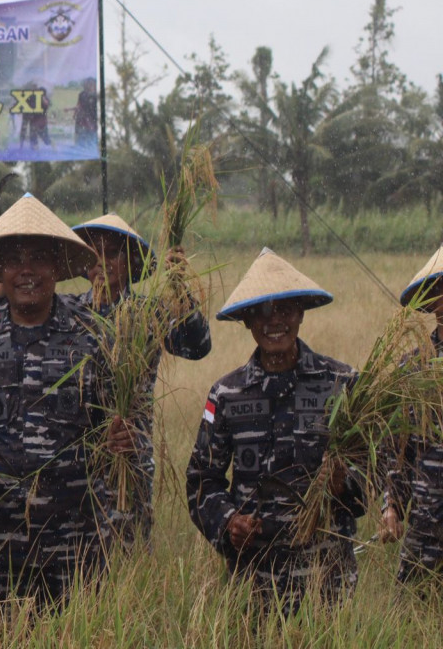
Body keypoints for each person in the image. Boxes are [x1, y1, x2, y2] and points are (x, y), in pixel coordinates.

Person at [0, 193, 128, 610]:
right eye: (14, 260)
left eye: (39, 258)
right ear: (1, 273)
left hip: (78, 542)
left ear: (58, 268)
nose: (26, 271)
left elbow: (119, 427)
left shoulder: (95, 340)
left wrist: (118, 442)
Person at [185, 248, 364, 615]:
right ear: (248, 321)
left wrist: (344, 483)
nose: (275, 321)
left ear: (300, 312)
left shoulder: (342, 384)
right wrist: (229, 522)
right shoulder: (226, 394)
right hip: (251, 586)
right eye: (262, 311)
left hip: (327, 585)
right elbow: (202, 481)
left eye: (284, 309)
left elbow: (375, 474)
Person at [70, 214, 211, 549]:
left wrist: (180, 290)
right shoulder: (68, 313)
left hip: (128, 455)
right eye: (93, 252)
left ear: (131, 262)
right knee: (74, 552)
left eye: (113, 252)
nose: (102, 261)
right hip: (74, 453)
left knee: (125, 548)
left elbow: (196, 346)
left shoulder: (148, 313)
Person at [380, 245, 443, 587]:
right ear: (433, 298)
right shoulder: (413, 367)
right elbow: (396, 447)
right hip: (426, 528)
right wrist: (391, 505)